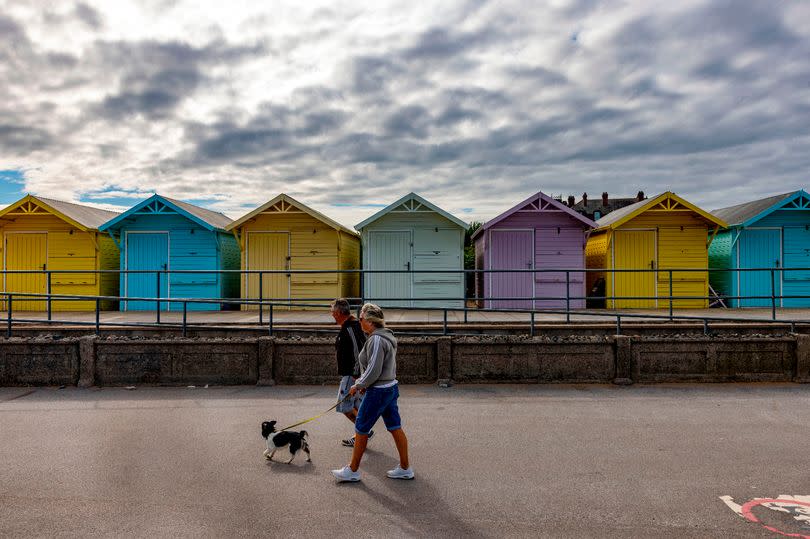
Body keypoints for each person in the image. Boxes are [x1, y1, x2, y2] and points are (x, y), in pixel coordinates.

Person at [331, 303, 414, 482]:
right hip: (390, 387)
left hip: (378, 390)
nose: (359, 321)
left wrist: (358, 384)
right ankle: (405, 468)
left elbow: (373, 369)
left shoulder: (376, 339)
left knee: (361, 428)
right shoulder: (386, 336)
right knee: (394, 427)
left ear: (369, 321)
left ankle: (352, 470)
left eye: (360, 318)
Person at [330, 298, 372, 447]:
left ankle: (363, 432)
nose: (332, 315)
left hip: (351, 374)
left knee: (345, 406)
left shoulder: (350, 328)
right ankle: (363, 431)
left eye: (333, 312)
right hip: (353, 374)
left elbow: (357, 351)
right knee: (354, 404)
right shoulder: (350, 326)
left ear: (340, 312)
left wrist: (356, 374)